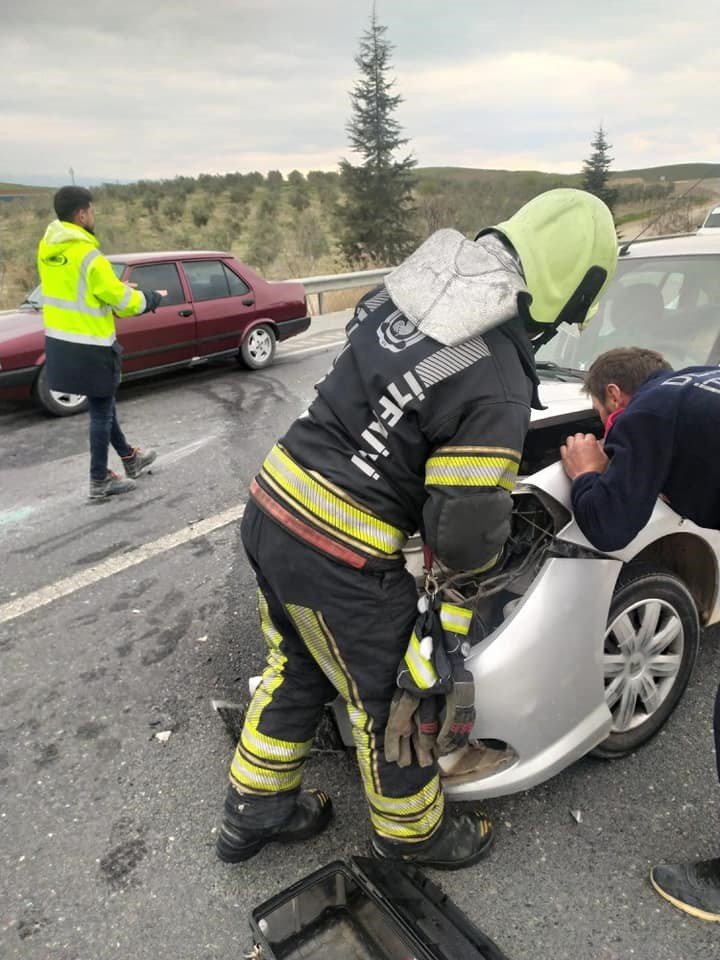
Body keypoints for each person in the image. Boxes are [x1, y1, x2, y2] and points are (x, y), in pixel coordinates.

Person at [216, 188, 618, 871]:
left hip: (274, 509)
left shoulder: (422, 295)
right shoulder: (496, 370)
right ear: (575, 287)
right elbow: (463, 532)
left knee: (299, 668)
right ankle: (414, 834)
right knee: (394, 703)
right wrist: (449, 620)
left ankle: (252, 814)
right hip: (337, 552)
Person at [560, 346, 720, 920]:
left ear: (613, 397)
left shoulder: (646, 414)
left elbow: (608, 525)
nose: (610, 430)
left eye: (607, 420)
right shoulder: (698, 384)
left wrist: (588, 473)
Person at [37, 186, 162, 500]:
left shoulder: (47, 249)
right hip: (92, 343)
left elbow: (77, 290)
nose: (94, 216)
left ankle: (131, 459)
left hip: (60, 340)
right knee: (102, 412)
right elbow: (124, 302)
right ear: (81, 214)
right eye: (91, 211)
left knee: (101, 403)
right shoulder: (89, 255)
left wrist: (109, 289)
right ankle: (99, 479)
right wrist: (149, 298)